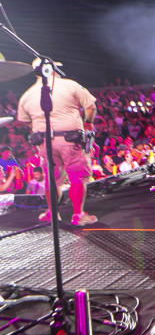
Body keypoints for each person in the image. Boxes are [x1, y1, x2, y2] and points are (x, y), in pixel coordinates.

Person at [17, 58, 98, 226]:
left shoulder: (27, 94)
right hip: (70, 139)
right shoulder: (70, 85)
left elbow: (23, 120)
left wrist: (38, 126)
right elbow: (90, 106)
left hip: (44, 143)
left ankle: (51, 213)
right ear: (51, 69)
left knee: (52, 178)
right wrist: (88, 122)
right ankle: (78, 215)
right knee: (77, 176)